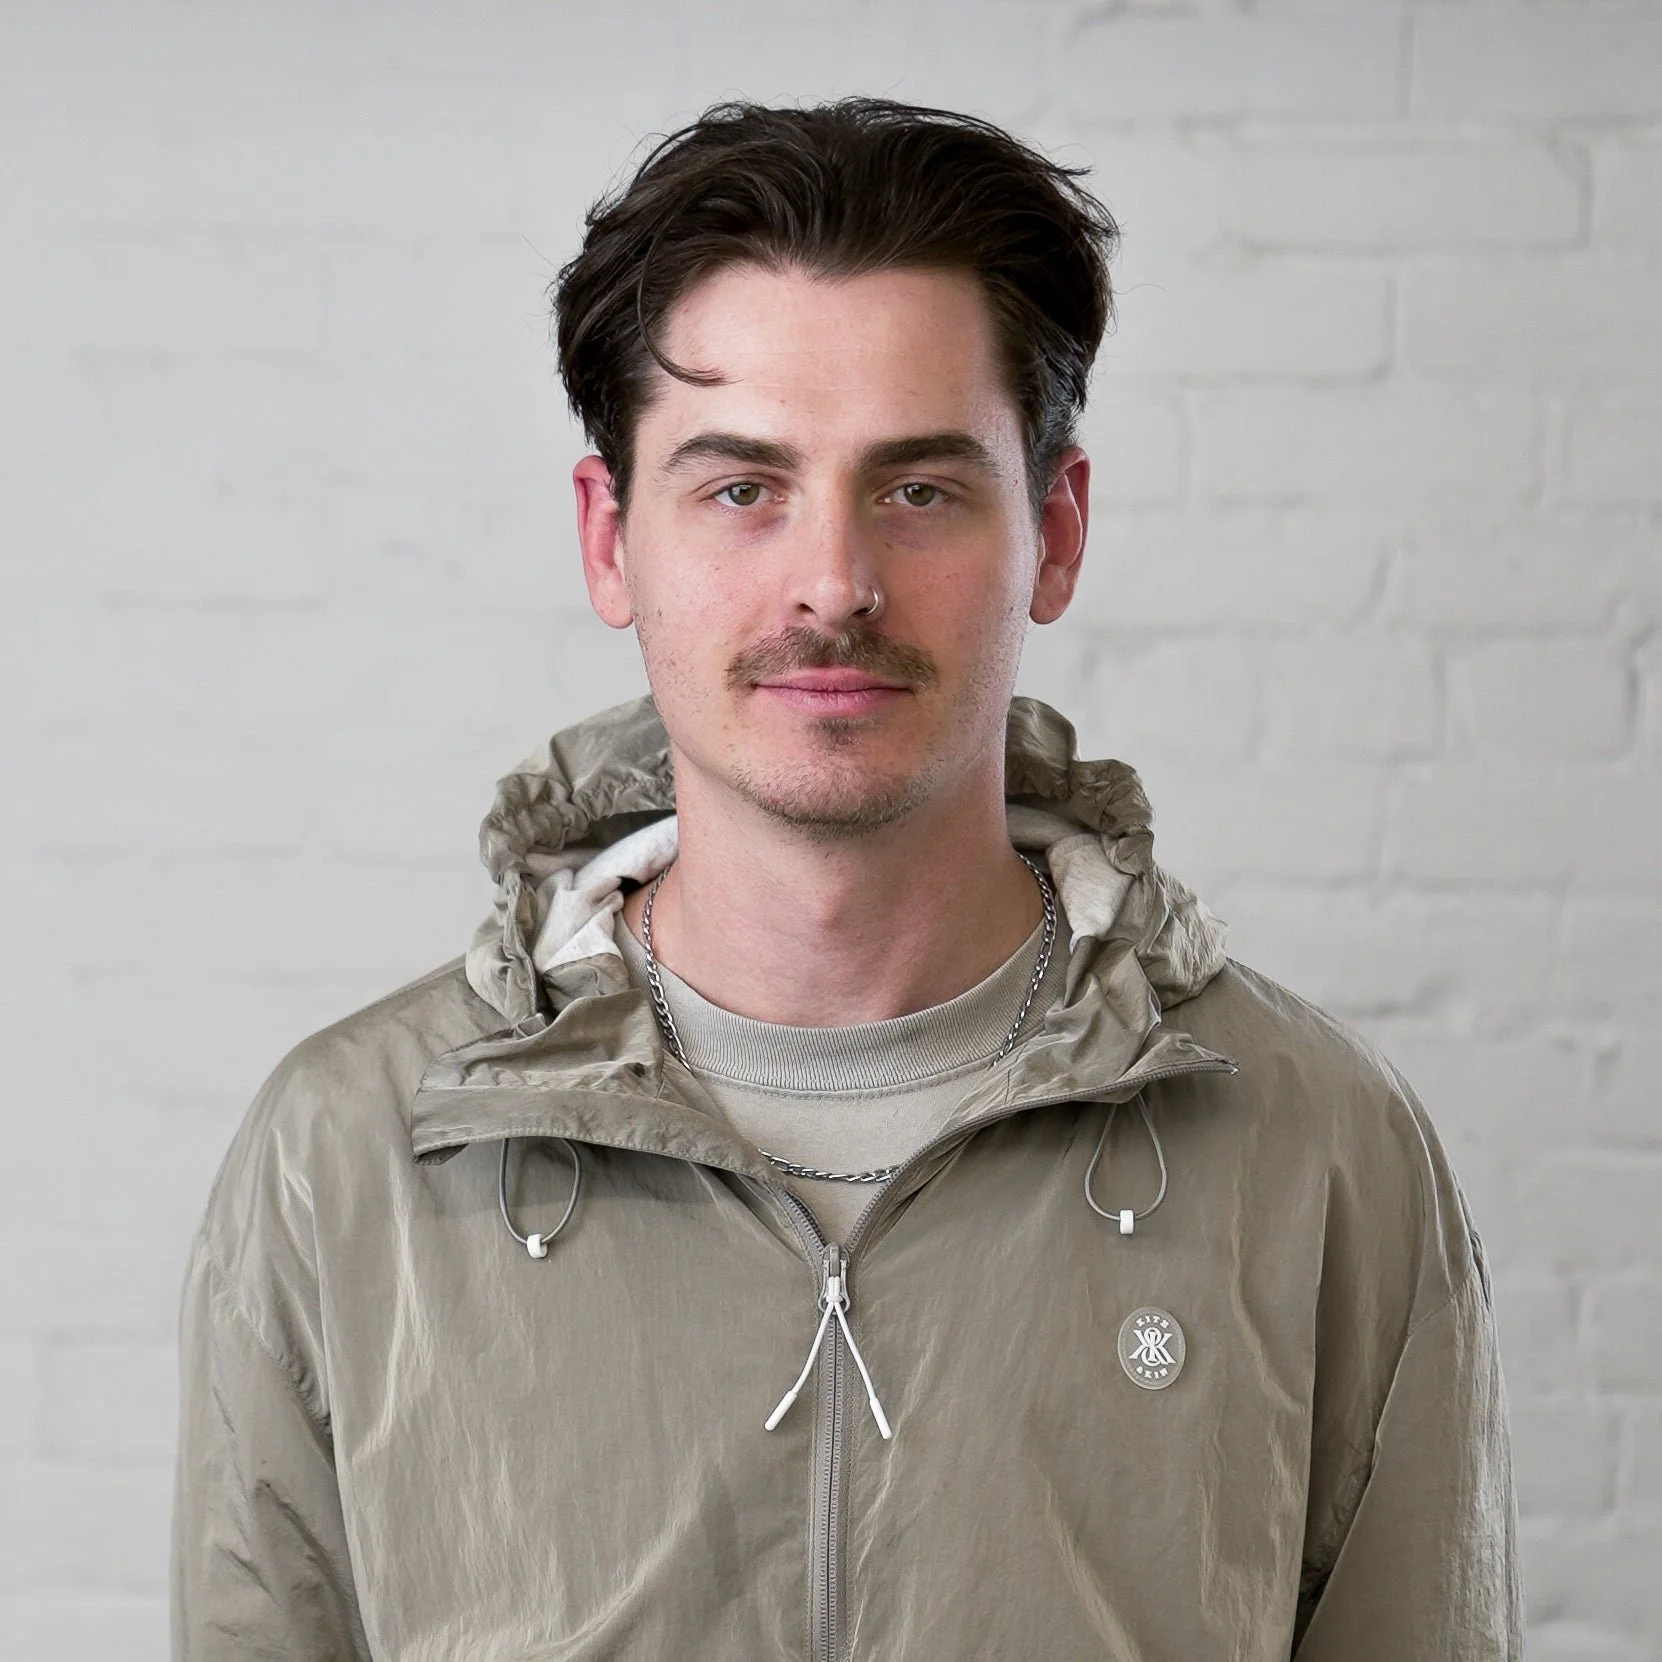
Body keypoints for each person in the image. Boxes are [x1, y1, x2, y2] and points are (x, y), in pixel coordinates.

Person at [172, 98, 1522, 1660]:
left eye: (919, 488)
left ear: (1054, 530)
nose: (832, 582)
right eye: (741, 488)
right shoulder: (344, 1161)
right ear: (610, 539)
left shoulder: (1319, 1150)